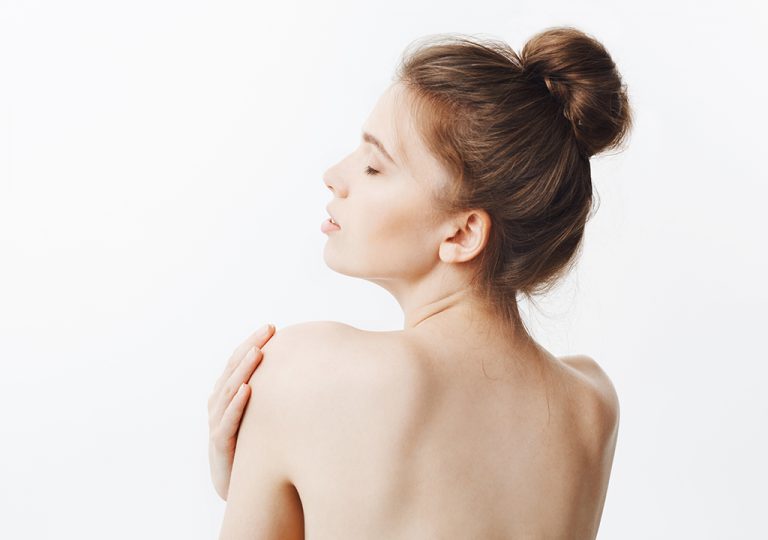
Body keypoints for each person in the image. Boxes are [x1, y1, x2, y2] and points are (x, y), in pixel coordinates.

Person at [209, 25, 633, 539]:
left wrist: (248, 475)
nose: (334, 175)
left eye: (374, 166)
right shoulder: (591, 406)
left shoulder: (302, 369)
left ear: (462, 233)